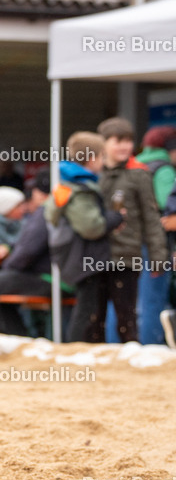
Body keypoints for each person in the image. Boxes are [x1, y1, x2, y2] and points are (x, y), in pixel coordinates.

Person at [45, 132, 124, 343]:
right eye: (101, 157)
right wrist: (115, 218)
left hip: (71, 255)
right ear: (91, 159)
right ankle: (74, 349)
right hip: (82, 257)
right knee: (86, 309)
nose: (104, 162)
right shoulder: (80, 189)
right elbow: (92, 227)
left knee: (88, 307)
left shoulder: (65, 184)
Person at [96, 117, 167, 343]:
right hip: (96, 253)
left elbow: (151, 218)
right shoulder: (94, 172)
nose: (124, 146)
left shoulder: (139, 173)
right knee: (99, 312)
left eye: (128, 141)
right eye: (118, 141)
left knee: (130, 310)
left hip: (129, 253)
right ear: (103, 143)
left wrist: (158, 256)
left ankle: (136, 356)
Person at [0, 170, 57, 336]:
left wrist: (8, 265)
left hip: (49, 278)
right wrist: (10, 248)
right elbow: (26, 245)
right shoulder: (50, 211)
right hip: (54, 275)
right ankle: (17, 335)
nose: (24, 207)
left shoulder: (44, 214)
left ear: (38, 193)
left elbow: (26, 252)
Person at [134, 126, 176, 345]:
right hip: (156, 242)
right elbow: (166, 207)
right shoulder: (165, 170)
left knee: (138, 300)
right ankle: (151, 348)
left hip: (132, 241)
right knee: (153, 300)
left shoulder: (135, 164)